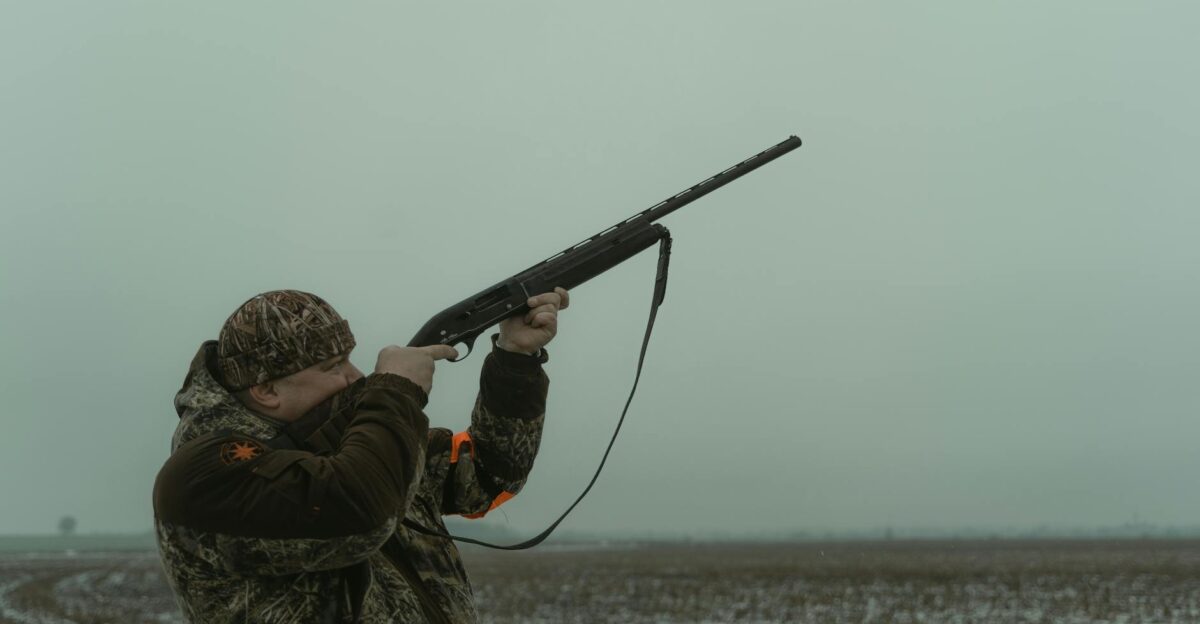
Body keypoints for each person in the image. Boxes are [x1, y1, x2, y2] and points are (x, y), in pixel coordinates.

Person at [153, 287, 568, 623]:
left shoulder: (353, 441)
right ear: (266, 390)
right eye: (334, 366)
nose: (356, 377)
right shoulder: (203, 476)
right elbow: (361, 512)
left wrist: (515, 360)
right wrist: (395, 392)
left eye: (350, 359)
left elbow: (488, 477)